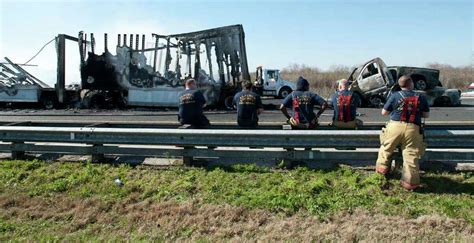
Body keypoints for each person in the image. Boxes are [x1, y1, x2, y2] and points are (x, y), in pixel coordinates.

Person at [375, 75, 430, 190]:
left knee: (386, 149)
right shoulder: (420, 96)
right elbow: (426, 115)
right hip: (413, 128)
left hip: (395, 126)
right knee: (411, 155)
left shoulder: (394, 95)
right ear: (410, 84)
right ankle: (410, 183)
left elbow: (384, 112)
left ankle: (381, 174)